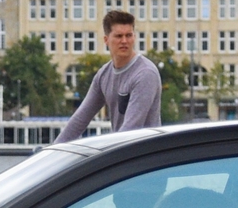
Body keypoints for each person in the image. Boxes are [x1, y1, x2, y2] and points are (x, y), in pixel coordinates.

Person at [57, 8, 161, 140]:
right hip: (122, 153)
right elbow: (79, 119)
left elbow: (131, 129)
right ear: (106, 40)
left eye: (129, 35)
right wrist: (51, 152)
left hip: (144, 156)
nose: (124, 41)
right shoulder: (104, 75)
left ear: (134, 37)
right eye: (118, 36)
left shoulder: (145, 74)